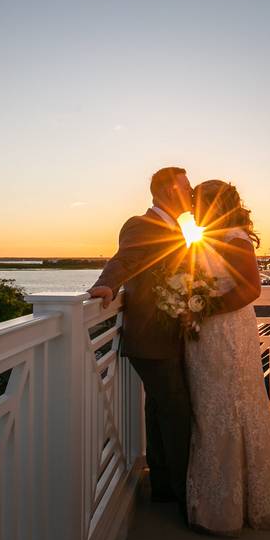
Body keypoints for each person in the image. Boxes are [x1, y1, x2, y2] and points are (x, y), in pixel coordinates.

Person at [185, 179, 270, 535]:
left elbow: (251, 288)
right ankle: (223, 500)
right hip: (206, 333)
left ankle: (230, 506)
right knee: (209, 410)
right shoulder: (209, 237)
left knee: (229, 407)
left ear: (213, 204)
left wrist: (203, 308)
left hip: (225, 332)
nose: (192, 205)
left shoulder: (235, 238)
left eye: (197, 200)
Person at [88, 166, 194, 511]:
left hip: (167, 335)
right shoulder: (141, 224)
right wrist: (107, 283)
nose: (191, 194)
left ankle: (163, 486)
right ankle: (184, 494)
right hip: (150, 336)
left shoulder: (174, 228)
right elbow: (125, 258)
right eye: (186, 188)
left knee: (161, 409)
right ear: (166, 191)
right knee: (177, 413)